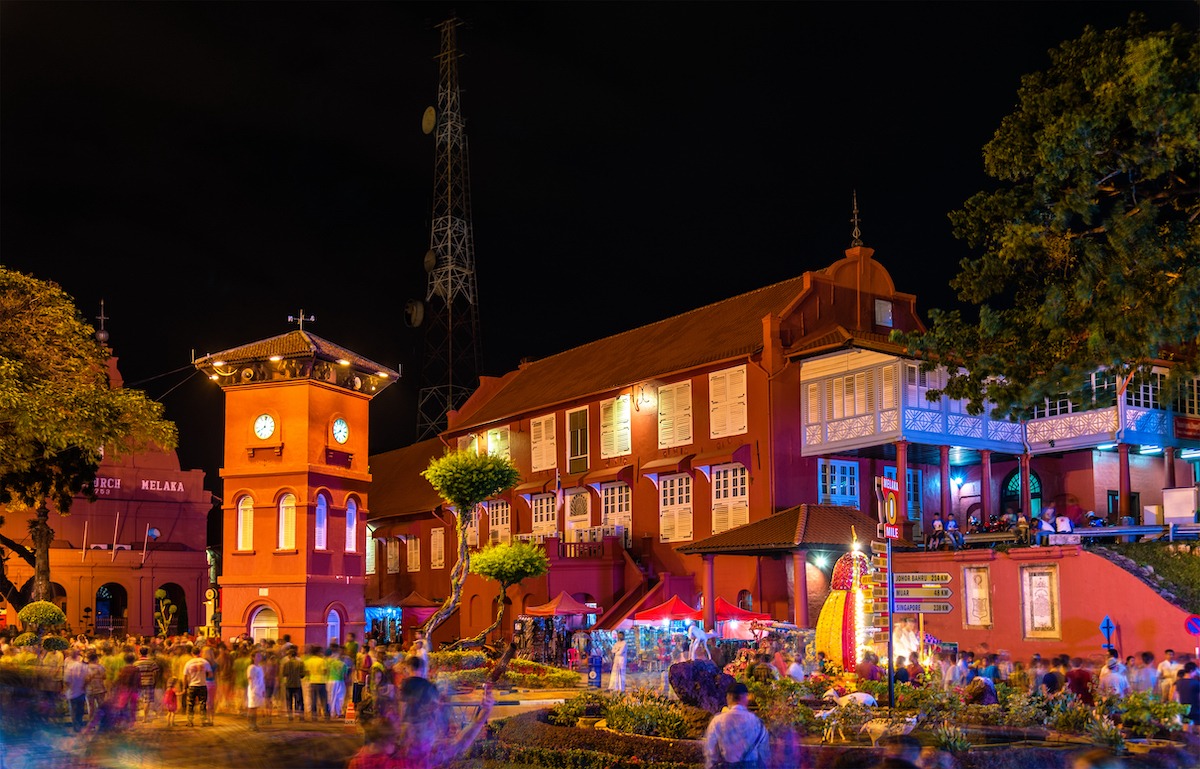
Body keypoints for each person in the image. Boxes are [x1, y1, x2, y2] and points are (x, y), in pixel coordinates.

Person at [390, 676, 496, 768]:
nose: (436, 709)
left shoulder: (392, 736)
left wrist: (483, 714)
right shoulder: (416, 742)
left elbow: (458, 743)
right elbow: (459, 744)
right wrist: (483, 715)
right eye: (432, 706)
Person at [704, 681, 769, 769]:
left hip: (727, 765)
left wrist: (710, 765)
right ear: (745, 698)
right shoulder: (756, 721)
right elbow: (764, 751)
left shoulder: (717, 721)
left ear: (728, 698)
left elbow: (710, 749)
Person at [183, 645, 214, 727]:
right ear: (200, 653)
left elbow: (185, 677)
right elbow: (211, 675)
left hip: (192, 685)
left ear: (192, 653)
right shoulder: (205, 662)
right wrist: (203, 676)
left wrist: (184, 687)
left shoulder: (188, 663)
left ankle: (190, 721)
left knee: (190, 704)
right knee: (203, 703)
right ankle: (203, 720)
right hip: (202, 685)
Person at [63, 648, 89, 733]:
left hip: (72, 692)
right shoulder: (83, 666)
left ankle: (76, 726)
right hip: (81, 691)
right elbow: (88, 678)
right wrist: (84, 686)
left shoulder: (69, 667)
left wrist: (69, 687)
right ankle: (80, 724)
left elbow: (66, 680)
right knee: (80, 709)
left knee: (73, 710)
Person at [281, 645, 307, 721]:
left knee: (289, 701)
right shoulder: (300, 663)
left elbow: (284, 674)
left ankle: (290, 717)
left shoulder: (286, 664)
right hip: (297, 684)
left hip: (288, 684)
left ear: (289, 655)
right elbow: (302, 674)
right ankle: (301, 717)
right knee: (299, 701)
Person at [1173, 661, 1199, 730]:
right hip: (1195, 708)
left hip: (1183, 708)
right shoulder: (1196, 683)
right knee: (1198, 725)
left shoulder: (1178, 682)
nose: (1196, 673)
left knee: (1186, 727)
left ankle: (1186, 740)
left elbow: (1174, 696)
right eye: (1195, 671)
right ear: (1191, 671)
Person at [246, 651, 266, 731]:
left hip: (259, 689)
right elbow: (250, 679)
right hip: (253, 690)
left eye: (259, 656)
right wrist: (253, 689)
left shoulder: (260, 667)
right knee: (252, 708)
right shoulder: (251, 667)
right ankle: (251, 724)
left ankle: (254, 724)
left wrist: (263, 689)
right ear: (253, 657)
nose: (259, 658)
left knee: (255, 708)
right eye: (257, 656)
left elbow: (262, 679)